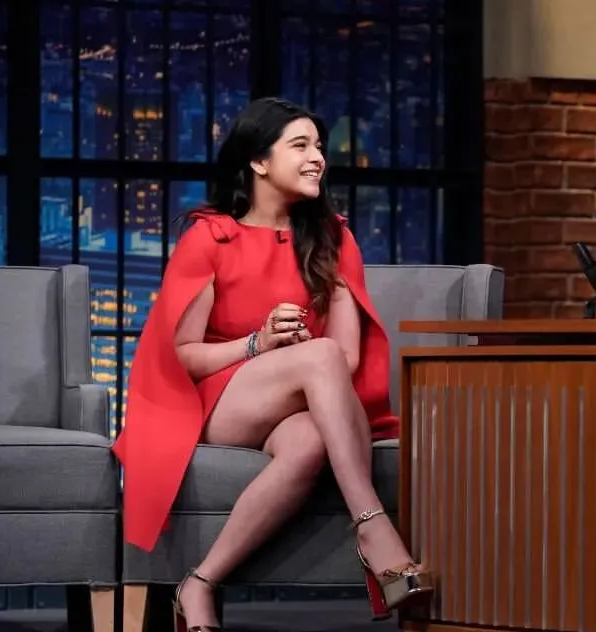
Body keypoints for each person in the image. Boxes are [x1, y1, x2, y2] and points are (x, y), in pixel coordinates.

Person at [110, 97, 432, 631]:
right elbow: (184, 356)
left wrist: (297, 351)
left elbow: (347, 357)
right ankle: (373, 528)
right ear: (259, 161)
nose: (317, 158)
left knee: (310, 437)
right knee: (319, 357)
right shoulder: (209, 238)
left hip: (302, 400)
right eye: (300, 146)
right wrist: (258, 345)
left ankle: (200, 583)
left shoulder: (333, 238)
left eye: (319, 147)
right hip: (215, 403)